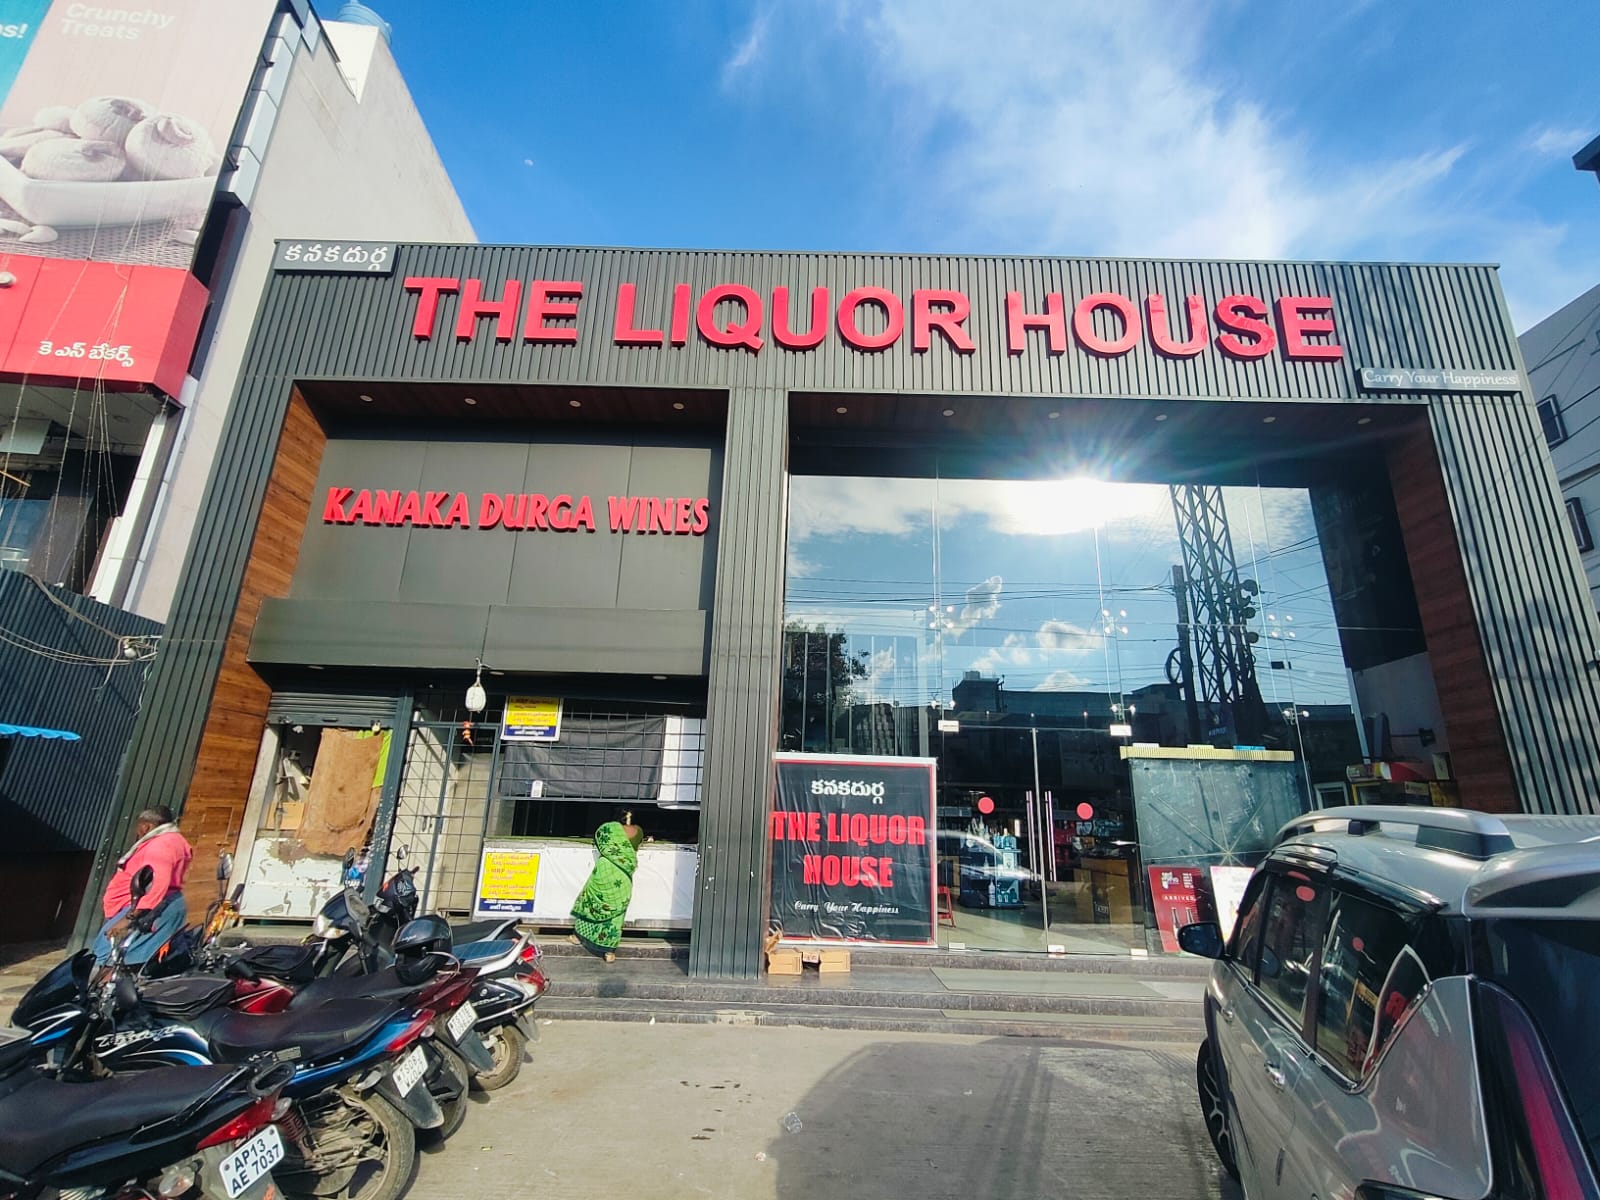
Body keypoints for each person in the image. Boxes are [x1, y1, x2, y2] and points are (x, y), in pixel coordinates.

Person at [93, 805, 193, 966]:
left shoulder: (161, 845)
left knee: (106, 955)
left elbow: (158, 882)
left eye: (138, 827)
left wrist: (130, 917)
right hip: (163, 904)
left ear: (146, 826)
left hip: (145, 908)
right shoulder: (176, 841)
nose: (137, 832)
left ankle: (108, 982)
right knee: (138, 960)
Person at [568, 816, 642, 963]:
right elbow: (635, 847)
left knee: (592, 902)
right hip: (622, 875)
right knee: (617, 911)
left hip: (604, 871)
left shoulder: (608, 828)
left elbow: (599, 842)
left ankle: (578, 937)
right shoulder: (638, 831)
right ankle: (609, 952)